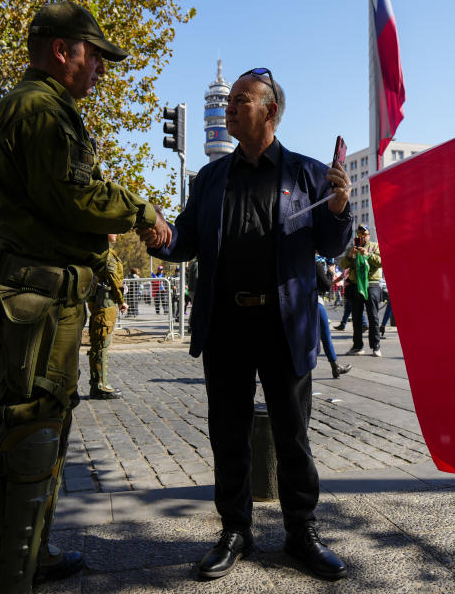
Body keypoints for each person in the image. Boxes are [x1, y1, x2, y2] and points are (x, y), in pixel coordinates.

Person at [0, 0, 171, 594]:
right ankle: (12, 578)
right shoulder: (39, 108)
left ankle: (30, 555)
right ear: (63, 51)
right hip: (33, 297)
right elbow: (73, 195)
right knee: (31, 437)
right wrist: (140, 209)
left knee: (39, 432)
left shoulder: (38, 107)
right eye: (95, 56)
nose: (101, 69)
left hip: (39, 297)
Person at [147, 67, 353, 581]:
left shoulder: (307, 174)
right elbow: (186, 241)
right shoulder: (210, 177)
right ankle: (235, 530)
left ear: (271, 112)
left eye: (241, 100)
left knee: (293, 434)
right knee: (228, 433)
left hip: (286, 324)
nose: (229, 108)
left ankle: (301, 532)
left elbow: (330, 246)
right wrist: (157, 235)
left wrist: (342, 206)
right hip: (227, 325)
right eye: (228, 101)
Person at [86, 234, 127, 400]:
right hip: (105, 304)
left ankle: (98, 384)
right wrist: (121, 301)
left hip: (101, 303)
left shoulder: (98, 252)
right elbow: (114, 279)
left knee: (99, 345)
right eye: (113, 230)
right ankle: (100, 386)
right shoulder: (107, 255)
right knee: (102, 345)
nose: (116, 234)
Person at [339, 225, 382, 356]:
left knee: (373, 316)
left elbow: (380, 261)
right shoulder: (352, 249)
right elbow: (343, 265)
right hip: (356, 285)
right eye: (359, 234)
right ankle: (357, 346)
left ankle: (376, 346)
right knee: (356, 317)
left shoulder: (375, 246)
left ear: (369, 235)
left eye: (364, 234)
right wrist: (351, 255)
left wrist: (367, 254)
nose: (362, 237)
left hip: (371, 284)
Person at [317, 256, 351, 378]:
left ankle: (335, 366)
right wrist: (330, 272)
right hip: (314, 302)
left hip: (305, 302)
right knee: (325, 335)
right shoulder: (316, 264)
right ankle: (335, 366)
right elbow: (326, 285)